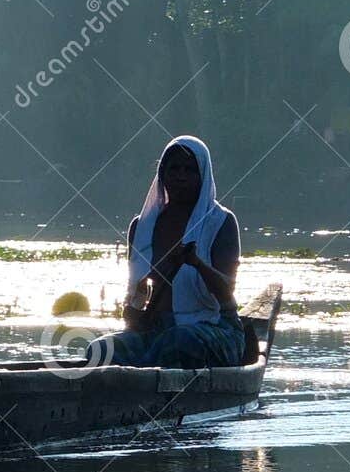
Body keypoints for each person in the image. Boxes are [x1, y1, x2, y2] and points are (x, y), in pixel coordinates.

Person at [87, 135, 244, 368]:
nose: (181, 176)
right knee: (99, 350)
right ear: (162, 173)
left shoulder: (221, 222)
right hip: (158, 330)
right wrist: (134, 310)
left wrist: (196, 263)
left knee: (177, 343)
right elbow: (135, 302)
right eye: (174, 169)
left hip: (214, 327)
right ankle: (136, 385)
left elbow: (226, 290)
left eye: (190, 170)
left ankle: (146, 378)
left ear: (203, 175)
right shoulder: (142, 226)